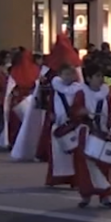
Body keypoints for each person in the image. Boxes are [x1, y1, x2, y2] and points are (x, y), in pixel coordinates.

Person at [12, 34, 80, 162]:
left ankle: (45, 152)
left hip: (53, 101)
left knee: (49, 128)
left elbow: (42, 83)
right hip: (68, 101)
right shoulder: (74, 63)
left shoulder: (49, 66)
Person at [68, 63, 111, 208]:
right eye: (97, 76)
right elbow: (74, 112)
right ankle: (86, 195)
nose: (100, 79)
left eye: (101, 76)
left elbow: (110, 113)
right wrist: (80, 113)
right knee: (85, 166)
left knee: (105, 165)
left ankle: (105, 196)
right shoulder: (81, 93)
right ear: (88, 78)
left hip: (102, 132)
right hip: (86, 133)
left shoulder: (107, 93)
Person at [45, 62, 83, 188]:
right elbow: (50, 104)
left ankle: (74, 180)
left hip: (73, 124)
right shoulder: (55, 89)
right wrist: (51, 114)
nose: (68, 76)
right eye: (65, 74)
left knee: (73, 155)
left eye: (71, 74)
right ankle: (55, 179)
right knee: (58, 154)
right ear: (60, 75)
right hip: (59, 124)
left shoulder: (78, 89)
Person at [0, 50, 40, 150]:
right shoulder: (35, 70)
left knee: (16, 124)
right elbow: (38, 85)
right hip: (30, 99)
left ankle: (14, 142)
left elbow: (10, 88)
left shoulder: (15, 70)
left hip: (17, 100)